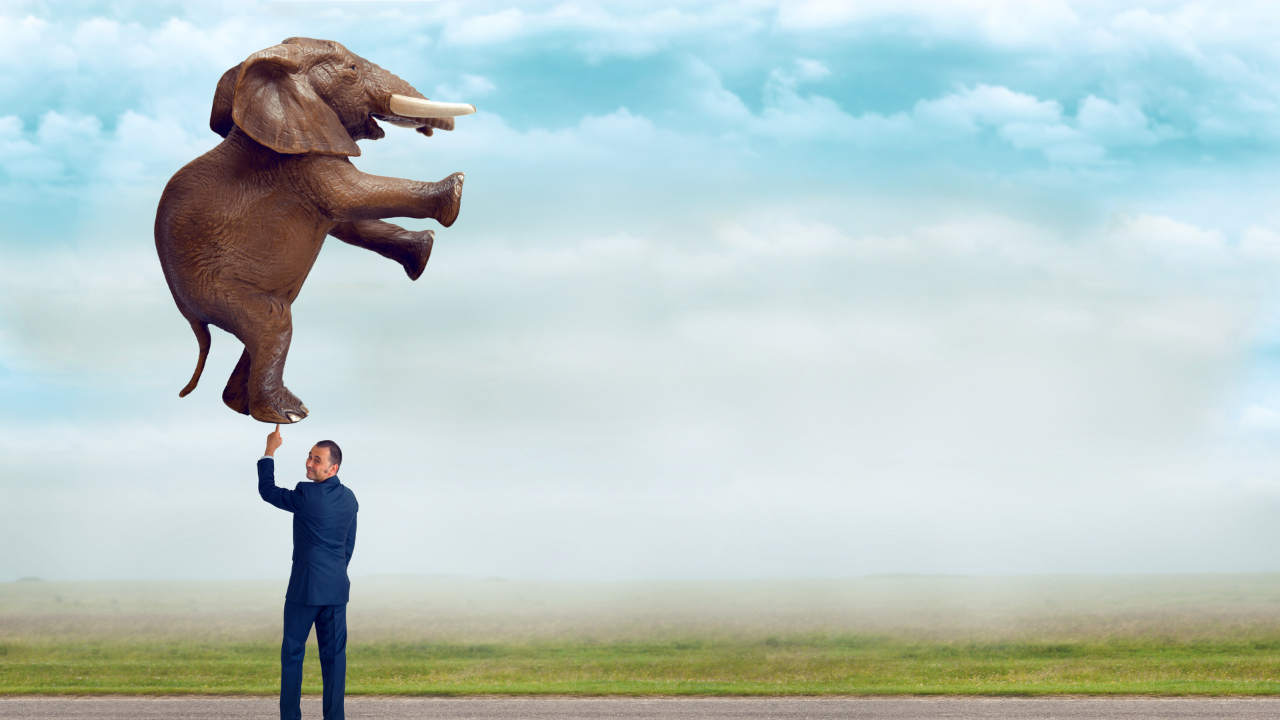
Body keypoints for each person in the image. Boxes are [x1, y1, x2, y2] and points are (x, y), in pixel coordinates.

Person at [259, 424, 358, 720]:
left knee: (292, 655)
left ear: (333, 468)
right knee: (335, 660)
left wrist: (269, 450)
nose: (309, 463)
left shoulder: (305, 494)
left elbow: (267, 491)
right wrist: (334, 572)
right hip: (336, 589)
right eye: (309, 456)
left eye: (317, 460)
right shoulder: (350, 498)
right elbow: (348, 545)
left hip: (305, 590)